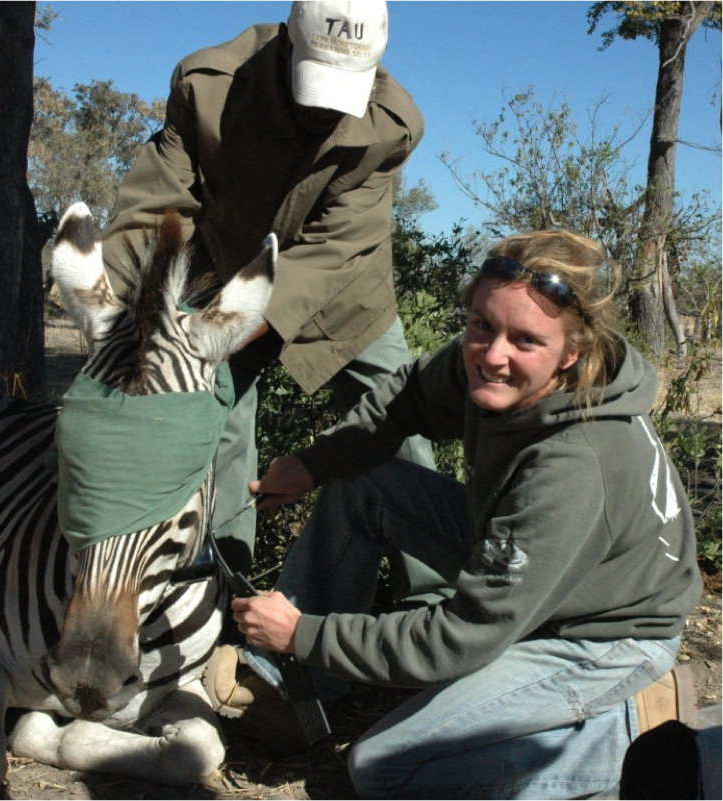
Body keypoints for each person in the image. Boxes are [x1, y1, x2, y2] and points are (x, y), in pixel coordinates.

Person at [215, 229, 704, 799]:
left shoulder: (574, 467)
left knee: (386, 769)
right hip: (541, 574)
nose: (493, 356)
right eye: (481, 326)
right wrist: (312, 464)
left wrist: (304, 633)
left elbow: (463, 636)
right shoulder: (492, 360)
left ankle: (623, 737)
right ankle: (299, 689)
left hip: (602, 634)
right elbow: (409, 397)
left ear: (572, 353)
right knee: (367, 482)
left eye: (525, 341)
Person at [98, 0, 437, 594]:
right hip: (224, 278)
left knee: (398, 421)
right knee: (219, 429)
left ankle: (438, 599)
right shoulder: (208, 87)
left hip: (346, 298)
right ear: (286, 43)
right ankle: (226, 597)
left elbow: (330, 253)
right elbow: (154, 211)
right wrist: (131, 316)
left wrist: (219, 333)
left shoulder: (391, 123)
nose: (327, 106)